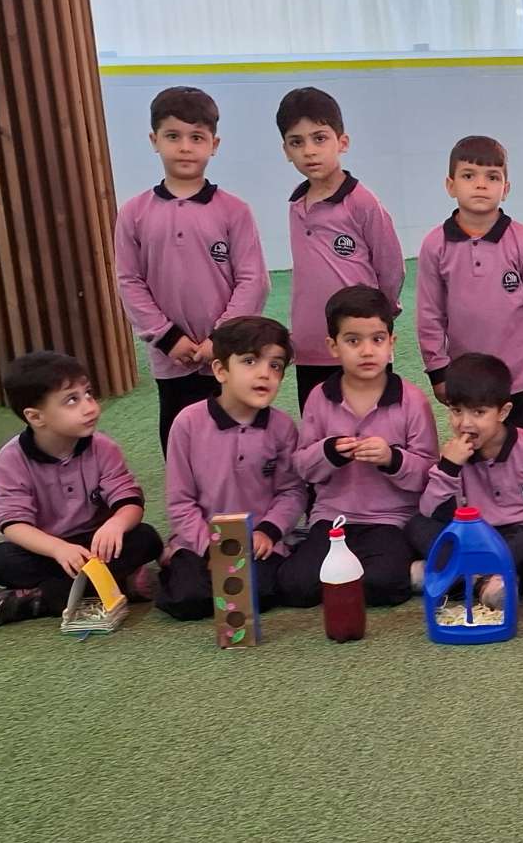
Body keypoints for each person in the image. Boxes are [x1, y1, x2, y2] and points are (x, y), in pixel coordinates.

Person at [114, 86, 268, 453]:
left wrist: (221, 338)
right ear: (154, 140)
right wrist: (167, 338)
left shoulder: (235, 210)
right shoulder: (133, 213)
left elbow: (253, 280)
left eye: (196, 137)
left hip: (228, 354)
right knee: (180, 441)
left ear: (214, 144)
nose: (185, 147)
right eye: (173, 136)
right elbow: (129, 281)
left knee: (239, 441)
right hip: (171, 357)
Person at [277, 285, 438, 608]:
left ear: (391, 343)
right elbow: (303, 466)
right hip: (332, 519)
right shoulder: (320, 398)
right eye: (353, 341)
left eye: (377, 339)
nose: (366, 351)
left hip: (391, 520)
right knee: (295, 587)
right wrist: (329, 452)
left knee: (383, 585)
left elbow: (428, 474)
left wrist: (392, 459)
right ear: (333, 346)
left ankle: (407, 568)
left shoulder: (412, 400)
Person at [0, 352, 164, 626]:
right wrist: (57, 548)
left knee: (147, 538)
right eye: (72, 400)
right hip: (47, 550)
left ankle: (36, 599)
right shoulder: (11, 459)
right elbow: (12, 524)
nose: (89, 407)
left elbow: (130, 501)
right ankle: (116, 586)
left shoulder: (103, 448)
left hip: (97, 545)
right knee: (0, 561)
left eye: (88, 393)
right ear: (36, 417)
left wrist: (116, 524)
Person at [154, 316, 306, 621]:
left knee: (262, 593)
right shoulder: (187, 423)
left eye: (276, 365)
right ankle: (171, 560)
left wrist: (268, 531)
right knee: (187, 600)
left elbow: (292, 491)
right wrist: (209, 548)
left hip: (257, 542)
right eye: (250, 361)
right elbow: (180, 501)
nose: (264, 373)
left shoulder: (282, 427)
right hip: (200, 541)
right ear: (221, 370)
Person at [416, 135, 523, 431]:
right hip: (466, 381)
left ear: (506, 189)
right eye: (469, 176)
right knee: (473, 453)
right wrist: (438, 371)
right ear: (450, 185)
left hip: (517, 380)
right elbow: (429, 315)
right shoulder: (434, 245)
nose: (480, 185)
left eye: (492, 177)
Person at [279, 87, 404, 405]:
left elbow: (391, 267)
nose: (309, 151)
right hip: (310, 347)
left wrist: (378, 318)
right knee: (319, 423)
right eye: (297, 142)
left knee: (372, 422)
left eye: (319, 138)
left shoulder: (362, 202)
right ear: (286, 150)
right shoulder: (296, 205)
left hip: (360, 344)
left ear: (342, 142)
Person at [405, 352, 523, 606]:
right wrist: (448, 467)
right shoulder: (454, 453)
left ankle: (451, 574)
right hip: (479, 532)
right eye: (456, 411)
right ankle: (483, 582)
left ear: (503, 412)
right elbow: (429, 510)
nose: (465, 423)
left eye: (478, 412)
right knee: (417, 526)